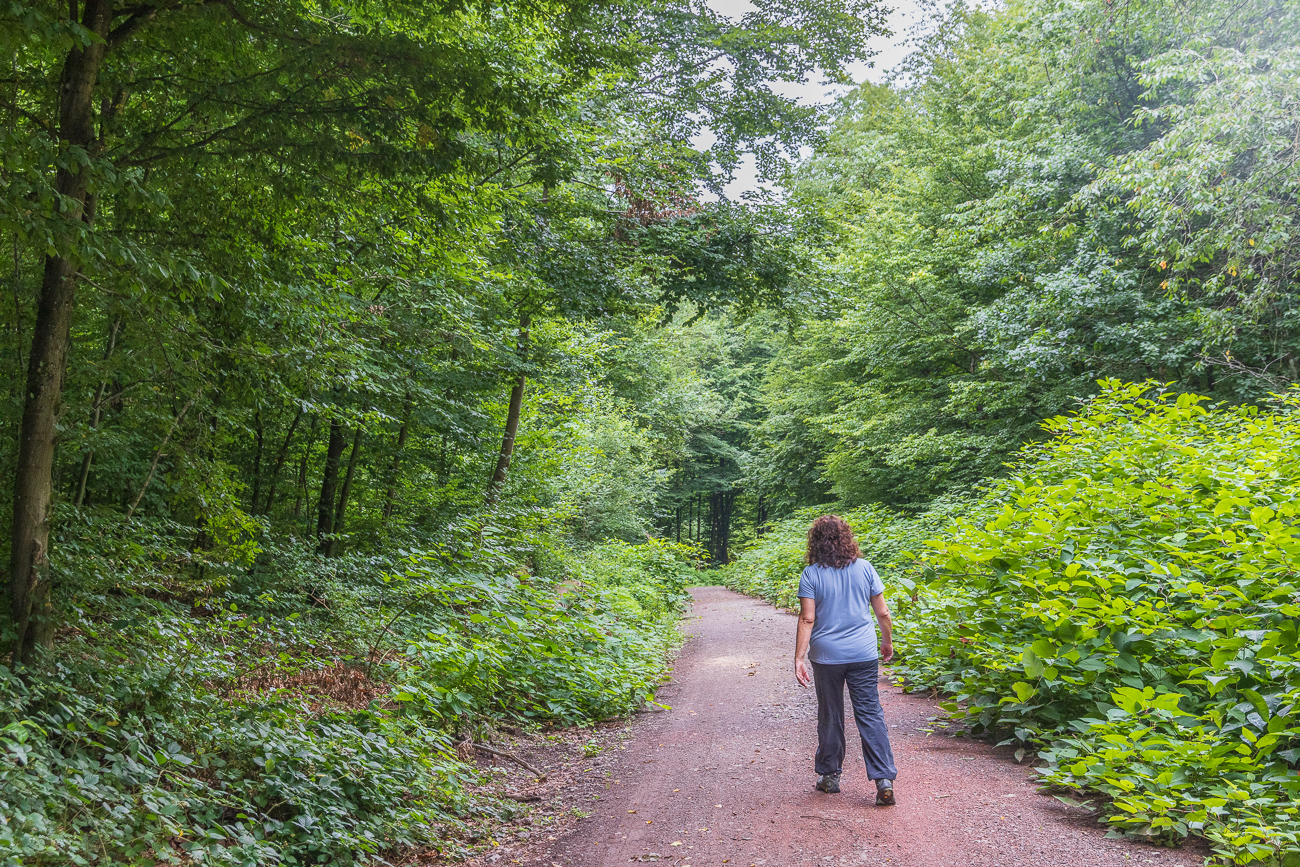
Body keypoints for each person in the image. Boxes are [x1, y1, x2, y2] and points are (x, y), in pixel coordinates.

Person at [793, 514, 897, 805]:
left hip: (826, 656)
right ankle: (884, 778)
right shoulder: (865, 568)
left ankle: (829, 776)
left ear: (815, 542)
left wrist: (799, 658)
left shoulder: (811, 574)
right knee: (869, 713)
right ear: (847, 538)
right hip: (863, 653)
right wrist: (886, 642)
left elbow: (807, 618)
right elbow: (883, 613)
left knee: (830, 714)